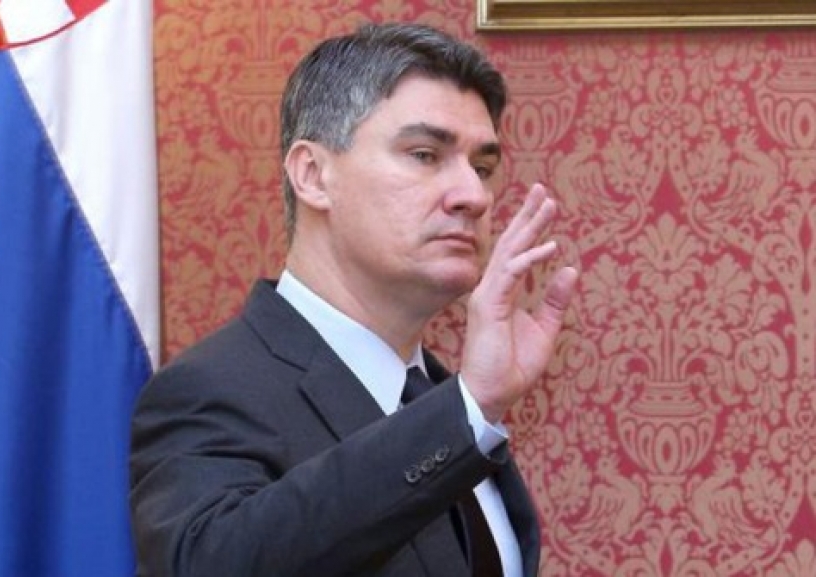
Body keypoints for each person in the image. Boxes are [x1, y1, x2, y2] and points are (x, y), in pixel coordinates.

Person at [129, 21, 578, 577]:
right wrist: (469, 410)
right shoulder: (209, 389)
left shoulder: (446, 400)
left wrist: (469, 407)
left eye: (482, 168)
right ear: (313, 176)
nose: (473, 196)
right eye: (424, 155)